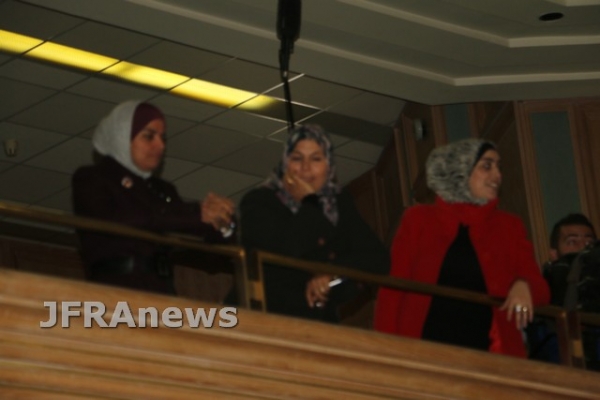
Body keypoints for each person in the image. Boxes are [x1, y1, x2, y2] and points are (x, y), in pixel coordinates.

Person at [374, 138, 550, 358]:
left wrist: (524, 285)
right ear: (460, 170)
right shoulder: (418, 219)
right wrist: (385, 349)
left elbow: (542, 289)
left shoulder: (510, 226)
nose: (497, 175)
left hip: (490, 355)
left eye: (498, 167)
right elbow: (393, 289)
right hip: (422, 351)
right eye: (487, 166)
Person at [72, 100, 235, 295]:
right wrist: (196, 215)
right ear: (122, 136)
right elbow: (128, 219)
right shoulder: (92, 178)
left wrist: (222, 221)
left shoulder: (163, 190)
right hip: (113, 292)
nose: (160, 145)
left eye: (162, 138)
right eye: (149, 136)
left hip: (162, 294)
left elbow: (208, 252)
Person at [239, 124, 389, 323]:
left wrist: (332, 274)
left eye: (316, 159)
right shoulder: (260, 202)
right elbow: (287, 249)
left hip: (319, 323)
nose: (305, 168)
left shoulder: (339, 204)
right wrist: (309, 203)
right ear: (285, 164)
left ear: (329, 165)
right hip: (265, 320)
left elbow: (377, 260)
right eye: (297, 158)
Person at [528, 213, 599, 369]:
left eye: (589, 242)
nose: (583, 247)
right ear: (554, 254)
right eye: (572, 242)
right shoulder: (545, 290)